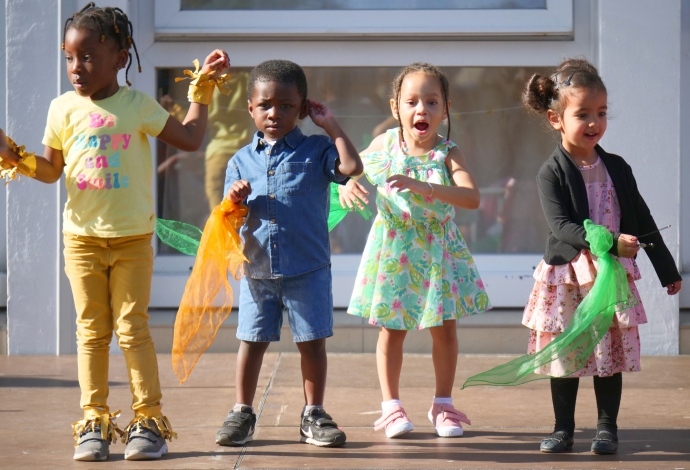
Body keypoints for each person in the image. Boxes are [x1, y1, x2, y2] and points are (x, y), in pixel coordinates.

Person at [0, 3, 229, 461]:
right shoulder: (61, 108)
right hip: (81, 241)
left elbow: (189, 138)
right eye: (69, 58)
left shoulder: (137, 105)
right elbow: (51, 171)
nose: (76, 68)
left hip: (132, 241)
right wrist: (15, 157)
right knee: (90, 332)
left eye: (88, 57)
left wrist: (201, 90)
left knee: (132, 329)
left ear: (120, 58)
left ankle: (148, 422)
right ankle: (94, 423)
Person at [520, 58, 682, 454]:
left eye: (602, 112)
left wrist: (667, 270)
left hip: (611, 276)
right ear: (556, 119)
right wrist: (610, 242)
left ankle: (607, 428)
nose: (594, 122)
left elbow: (642, 218)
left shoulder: (617, 168)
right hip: (568, 278)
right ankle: (563, 429)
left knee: (608, 350)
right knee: (568, 351)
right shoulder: (551, 172)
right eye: (583, 114)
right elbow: (562, 227)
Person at [340, 63, 491, 439]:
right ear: (396, 108)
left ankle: (443, 405)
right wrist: (345, 184)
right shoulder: (386, 144)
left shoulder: (448, 152)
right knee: (392, 329)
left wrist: (429, 188)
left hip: (438, 250)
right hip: (396, 249)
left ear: (446, 109)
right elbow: (349, 168)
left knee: (445, 329)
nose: (421, 109)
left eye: (431, 102)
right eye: (411, 102)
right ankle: (391, 407)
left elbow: (472, 197)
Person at [217, 59, 363, 448]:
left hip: (307, 271)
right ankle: (242, 411)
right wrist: (234, 199)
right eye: (265, 105)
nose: (274, 113)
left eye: (286, 106)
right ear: (250, 107)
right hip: (257, 272)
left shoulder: (317, 150)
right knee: (251, 341)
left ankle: (314, 414)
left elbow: (352, 167)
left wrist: (330, 125)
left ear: (302, 109)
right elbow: (228, 217)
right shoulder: (240, 161)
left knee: (312, 343)